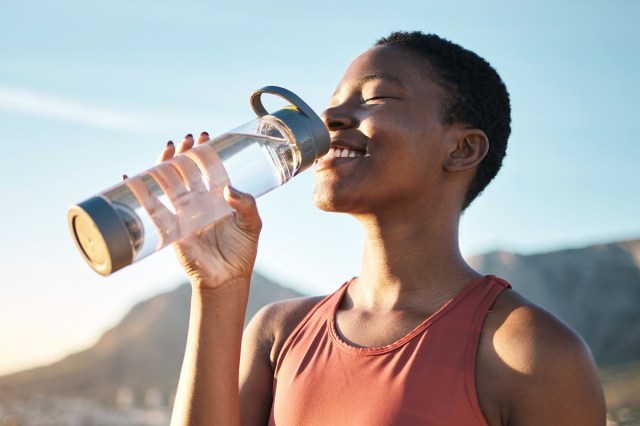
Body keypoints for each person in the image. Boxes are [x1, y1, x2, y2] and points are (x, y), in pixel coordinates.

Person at [166, 31, 606, 425]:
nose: (329, 116)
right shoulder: (279, 333)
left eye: (375, 98)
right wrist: (216, 287)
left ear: (463, 149)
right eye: (333, 99)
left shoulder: (531, 353)